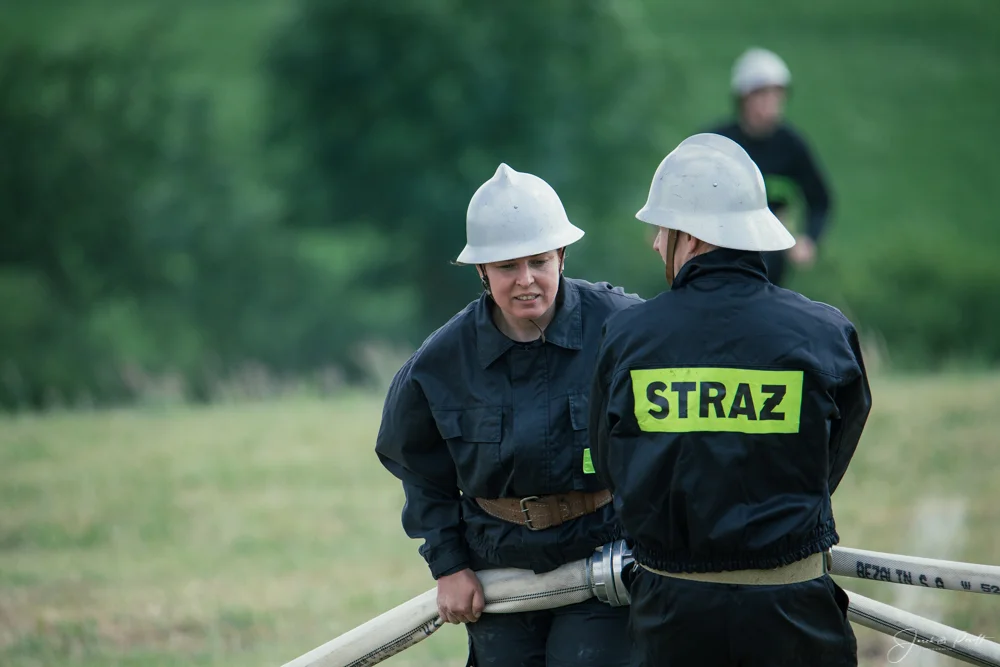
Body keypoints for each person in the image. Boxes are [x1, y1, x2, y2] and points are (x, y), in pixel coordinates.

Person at [589, 133, 872, 667]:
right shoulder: (825, 333)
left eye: (662, 228)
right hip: (794, 615)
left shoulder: (627, 337)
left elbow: (610, 463)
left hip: (672, 618)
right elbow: (833, 455)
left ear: (691, 238)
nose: (654, 243)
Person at [375, 163, 642, 667]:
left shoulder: (625, 329)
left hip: (603, 556)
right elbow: (418, 469)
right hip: (496, 569)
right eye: (506, 268)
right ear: (482, 271)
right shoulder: (439, 363)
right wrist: (449, 566)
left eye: (539, 262)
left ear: (562, 256)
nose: (526, 281)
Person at [705, 47, 834, 286]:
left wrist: (809, 240)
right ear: (744, 98)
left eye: (777, 95)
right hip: (720, 253)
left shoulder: (791, 145)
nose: (771, 103)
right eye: (762, 95)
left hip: (769, 259)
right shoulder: (719, 142)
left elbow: (820, 199)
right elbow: (685, 186)